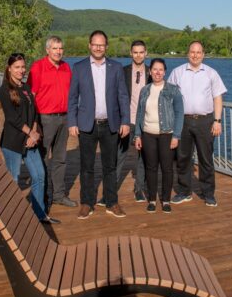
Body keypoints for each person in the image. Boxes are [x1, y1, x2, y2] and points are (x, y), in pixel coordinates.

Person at [68, 30, 130, 219]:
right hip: (87, 125)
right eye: (95, 44)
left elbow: (122, 96)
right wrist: (72, 122)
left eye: (101, 45)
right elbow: (72, 97)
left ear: (106, 47)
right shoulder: (79, 68)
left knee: (110, 166)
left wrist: (125, 121)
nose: (98, 47)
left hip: (110, 124)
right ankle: (87, 203)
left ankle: (112, 202)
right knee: (86, 166)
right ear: (89, 45)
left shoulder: (116, 67)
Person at [0, 53, 60, 225]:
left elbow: (33, 112)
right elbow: (12, 117)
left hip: (30, 140)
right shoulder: (5, 89)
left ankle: (39, 214)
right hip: (13, 141)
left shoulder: (26, 88)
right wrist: (29, 133)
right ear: (9, 68)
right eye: (17, 67)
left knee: (39, 175)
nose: (21, 70)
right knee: (13, 180)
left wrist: (34, 131)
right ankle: (10, 217)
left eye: (23, 67)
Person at [167, 41, 227, 207]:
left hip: (205, 121)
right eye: (192, 52)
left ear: (203, 54)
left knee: (206, 159)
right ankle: (184, 192)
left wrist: (217, 120)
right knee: (183, 158)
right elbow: (169, 96)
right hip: (183, 121)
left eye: (198, 52)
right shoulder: (177, 72)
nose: (195, 55)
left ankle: (208, 194)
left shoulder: (211, 73)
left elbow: (217, 97)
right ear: (188, 53)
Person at [27, 36, 77, 208]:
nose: (58, 51)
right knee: (41, 159)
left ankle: (58, 195)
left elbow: (72, 94)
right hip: (44, 119)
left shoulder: (66, 67)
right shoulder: (38, 67)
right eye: (54, 48)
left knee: (60, 158)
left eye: (60, 48)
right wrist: (33, 123)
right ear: (47, 50)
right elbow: (31, 97)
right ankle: (42, 197)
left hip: (64, 117)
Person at [98, 39, 149, 205]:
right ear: (130, 53)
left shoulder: (152, 72)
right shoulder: (122, 71)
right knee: (118, 158)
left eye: (141, 52)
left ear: (146, 53)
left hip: (146, 123)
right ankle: (109, 194)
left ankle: (139, 188)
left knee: (143, 158)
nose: (138, 55)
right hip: (126, 122)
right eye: (135, 52)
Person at [134, 58, 183, 214]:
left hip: (167, 135)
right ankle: (152, 200)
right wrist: (137, 135)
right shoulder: (145, 90)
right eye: (155, 69)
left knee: (167, 169)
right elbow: (139, 114)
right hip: (148, 134)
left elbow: (179, 113)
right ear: (150, 71)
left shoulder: (173, 90)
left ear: (165, 72)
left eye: (161, 69)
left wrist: (176, 135)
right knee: (151, 168)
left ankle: (166, 200)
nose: (157, 72)